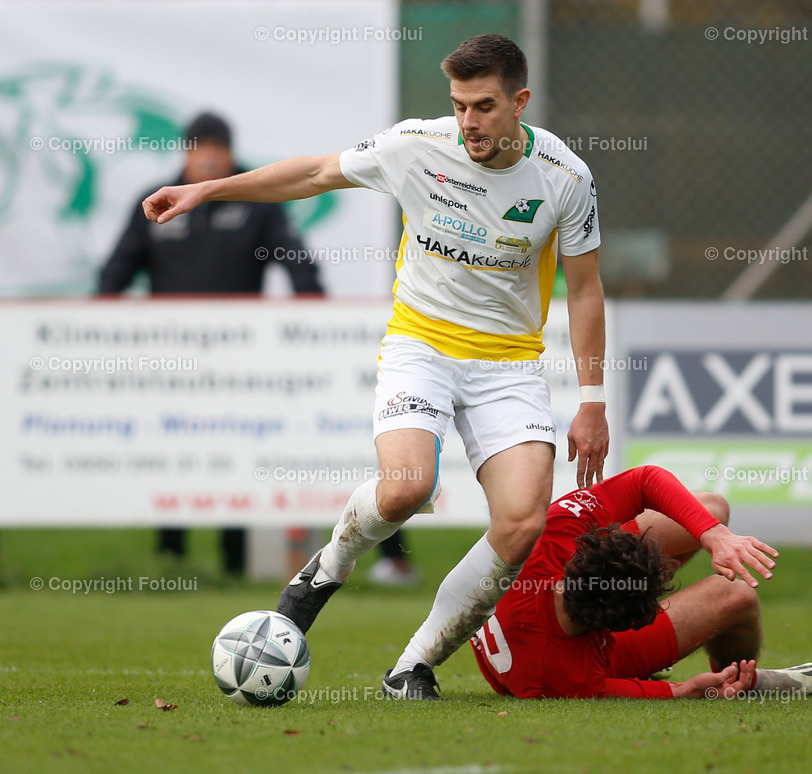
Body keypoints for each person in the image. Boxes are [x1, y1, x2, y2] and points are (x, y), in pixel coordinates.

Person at [140, 34, 608, 699]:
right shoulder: (417, 145)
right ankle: (323, 572)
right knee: (406, 489)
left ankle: (411, 666)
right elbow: (313, 174)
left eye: (484, 107)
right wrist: (211, 189)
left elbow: (586, 289)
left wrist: (592, 400)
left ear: (520, 102)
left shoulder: (566, 178)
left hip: (508, 364)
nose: (469, 123)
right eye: (459, 106)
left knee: (523, 520)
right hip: (421, 345)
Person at [99, 111, 324, 576]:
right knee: (171, 451)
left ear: (229, 153)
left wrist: (316, 320)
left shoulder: (259, 202)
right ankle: (170, 557)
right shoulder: (157, 203)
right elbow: (114, 274)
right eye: (200, 149)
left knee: (237, 452)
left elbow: (301, 267)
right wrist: (98, 330)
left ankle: (233, 562)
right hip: (169, 357)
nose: (208, 159)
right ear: (186, 152)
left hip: (241, 360)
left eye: (218, 150)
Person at [470, 465, 812, 699]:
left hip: (543, 624)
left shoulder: (549, 538)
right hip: (563, 654)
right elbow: (675, 690)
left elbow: (645, 480)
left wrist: (713, 535)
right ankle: (740, 680)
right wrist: (696, 688)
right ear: (620, 627)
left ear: (581, 551)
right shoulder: (571, 678)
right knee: (736, 594)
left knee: (709, 510)